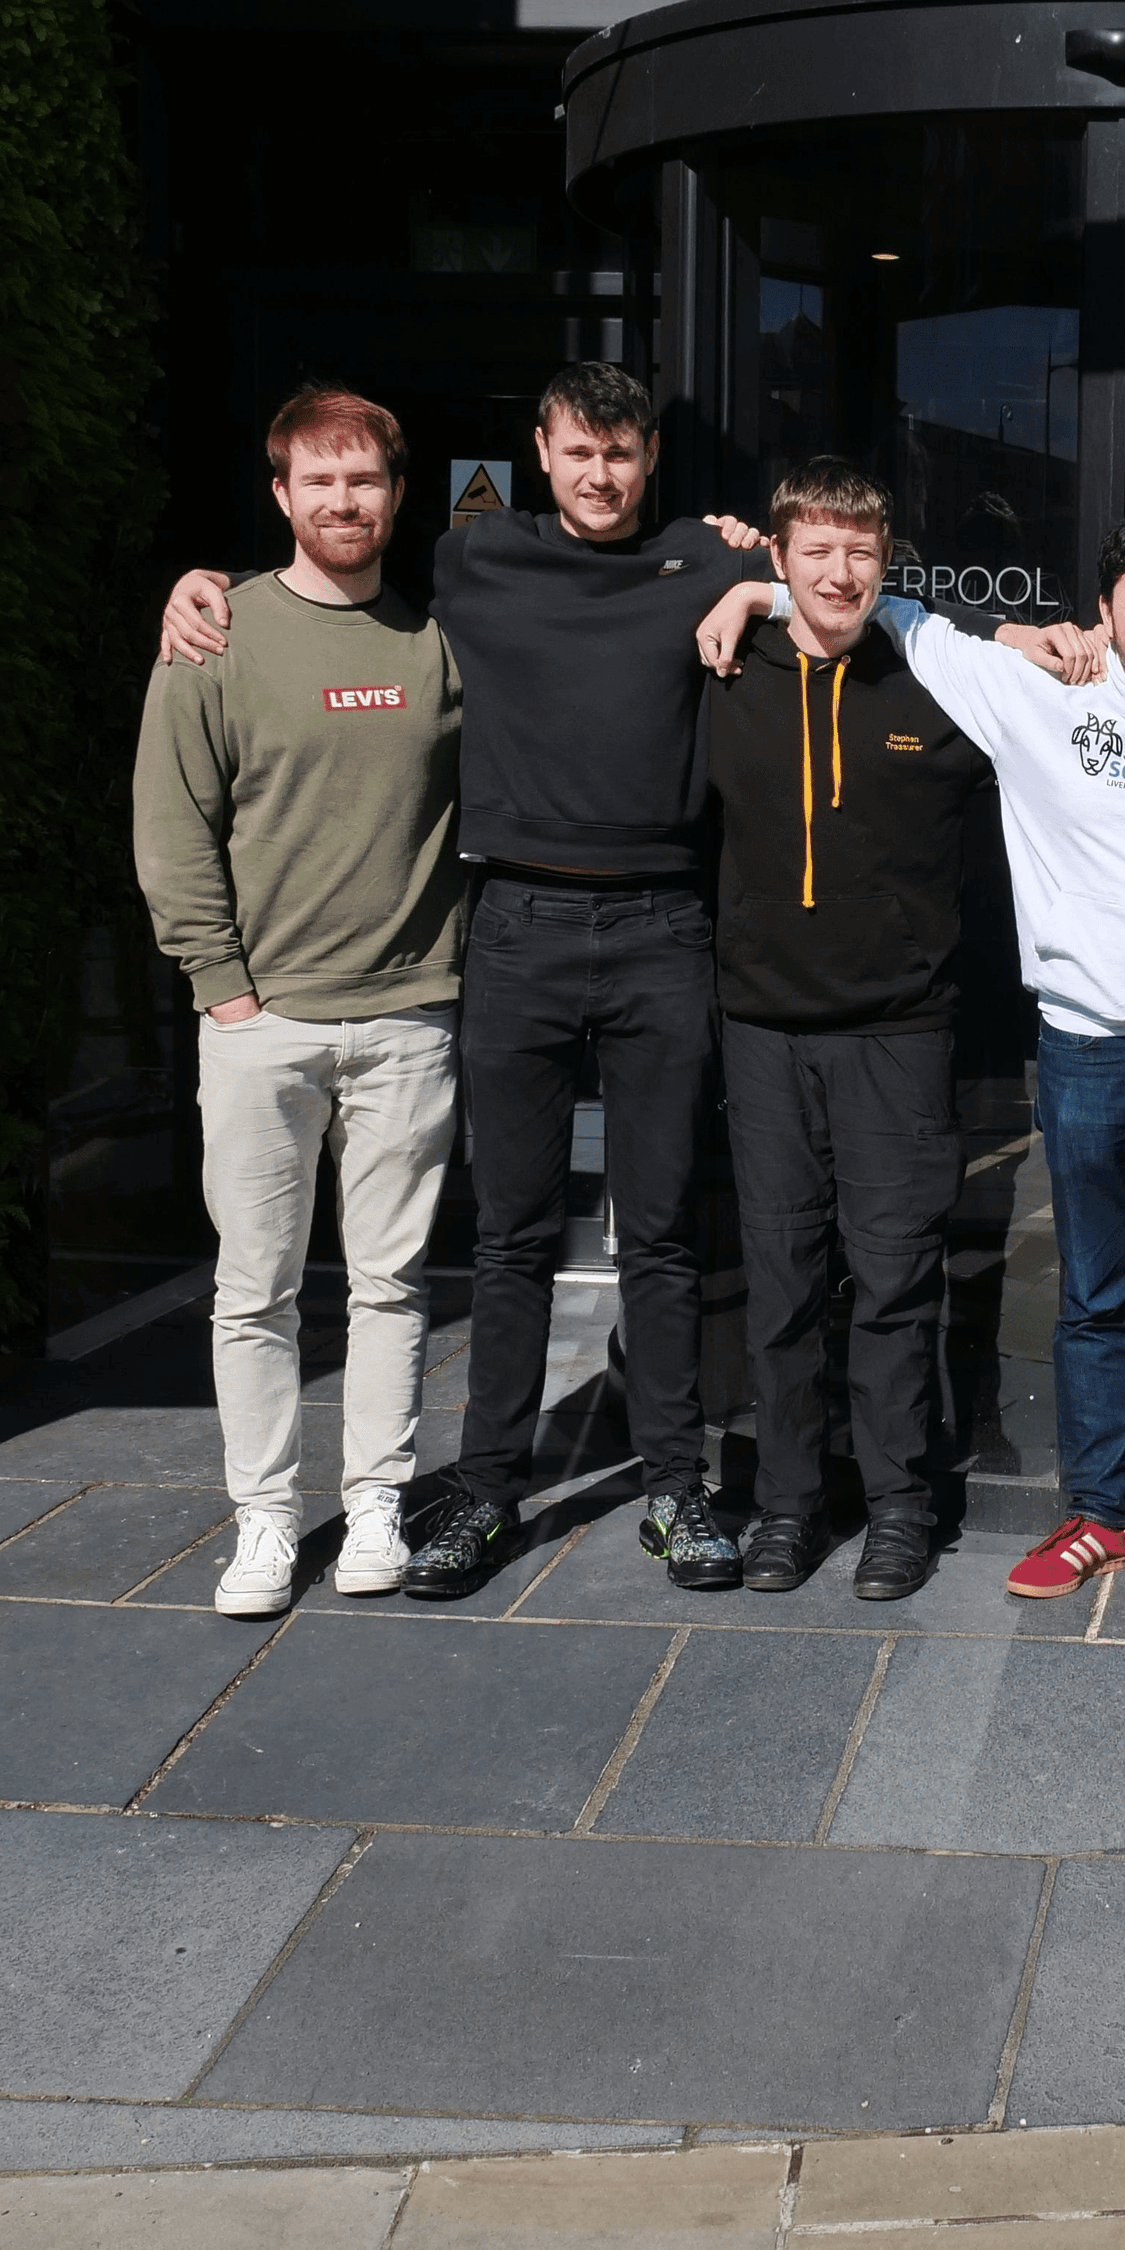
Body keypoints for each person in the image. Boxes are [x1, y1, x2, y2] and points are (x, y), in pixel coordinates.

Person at [161, 361, 771, 1600]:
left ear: (650, 459)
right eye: (579, 451)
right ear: (539, 453)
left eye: (624, 452)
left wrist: (758, 573)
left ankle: (673, 1486)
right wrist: (200, 585)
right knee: (510, 1240)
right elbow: (323, 575)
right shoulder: (470, 562)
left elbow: (841, 595)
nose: (601, 474)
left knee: (657, 1233)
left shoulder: (705, 562)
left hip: (662, 926)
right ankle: (486, 1491)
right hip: (513, 928)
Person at [700, 511, 1125, 1611]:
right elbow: (884, 611)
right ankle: (1100, 1514)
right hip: (1089, 1046)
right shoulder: (1043, 695)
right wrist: (755, 590)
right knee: (1095, 1294)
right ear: (1106, 613)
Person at [132, 387, 464, 1616]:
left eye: (364, 479)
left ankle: (374, 1504)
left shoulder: (439, 639)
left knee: (390, 1285)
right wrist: (222, 992)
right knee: (254, 1289)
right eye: (318, 481)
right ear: (281, 495)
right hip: (262, 1025)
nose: (344, 501)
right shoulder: (217, 638)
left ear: (395, 492)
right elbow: (173, 831)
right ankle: (266, 1524)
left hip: (407, 1017)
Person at [697, 459, 993, 1603]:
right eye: (814, 550)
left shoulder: (933, 676)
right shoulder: (723, 667)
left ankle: (899, 1506)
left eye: (860, 551)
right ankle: (786, 1505)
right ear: (777, 556)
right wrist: (738, 594)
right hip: (764, 1030)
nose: (839, 572)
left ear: (887, 562)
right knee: (778, 1281)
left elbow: (1066, 679)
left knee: (893, 1280)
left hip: (899, 1034)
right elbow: (605, 565)